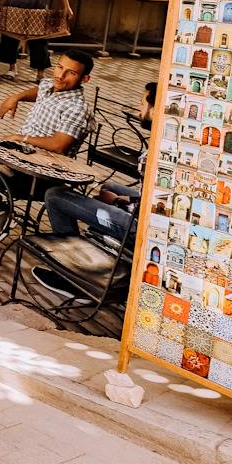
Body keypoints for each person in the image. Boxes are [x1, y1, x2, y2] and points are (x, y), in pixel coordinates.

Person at [30, 82, 154, 301]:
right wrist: (120, 198)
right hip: (144, 211)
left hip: (141, 226)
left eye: (143, 103)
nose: (138, 109)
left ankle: (74, 276)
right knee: (109, 187)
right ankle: (100, 250)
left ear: (155, 108)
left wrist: (121, 202)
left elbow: (152, 206)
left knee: (56, 195)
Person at [0, 49, 96, 234]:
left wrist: (21, 137)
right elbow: (39, 90)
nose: (60, 75)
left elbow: (58, 145)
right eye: (59, 67)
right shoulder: (49, 85)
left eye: (71, 73)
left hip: (39, 173)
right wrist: (16, 97)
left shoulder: (76, 108)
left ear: (85, 79)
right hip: (15, 153)